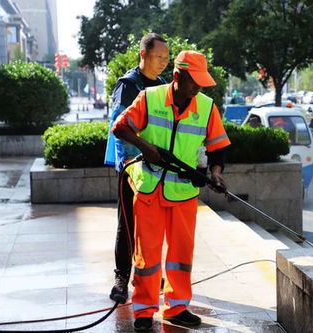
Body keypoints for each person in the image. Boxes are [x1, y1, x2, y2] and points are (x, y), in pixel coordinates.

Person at [112, 50, 230, 331]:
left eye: (202, 82)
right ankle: (143, 310)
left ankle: (177, 307)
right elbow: (120, 127)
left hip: (184, 194)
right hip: (150, 189)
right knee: (147, 256)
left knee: (181, 255)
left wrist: (216, 174)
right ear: (178, 77)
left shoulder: (206, 107)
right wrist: (146, 148)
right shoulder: (149, 99)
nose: (198, 88)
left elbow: (218, 146)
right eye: (194, 82)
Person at [104, 33, 169, 303]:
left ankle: (149, 275)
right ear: (144, 55)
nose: (164, 62)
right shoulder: (128, 85)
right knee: (127, 225)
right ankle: (121, 278)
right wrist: (130, 165)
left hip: (155, 167)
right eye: (159, 57)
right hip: (132, 167)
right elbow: (120, 128)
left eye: (167, 58)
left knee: (152, 226)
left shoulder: (164, 85)